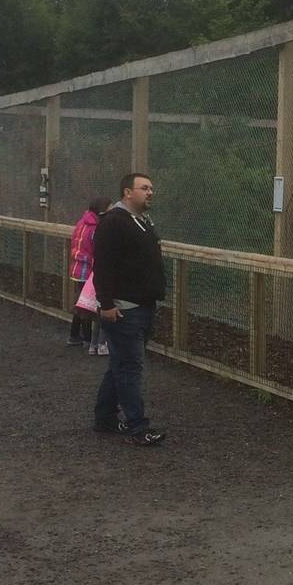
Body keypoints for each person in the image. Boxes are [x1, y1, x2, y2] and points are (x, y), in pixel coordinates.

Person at [92, 172, 168, 446]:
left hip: (143, 305)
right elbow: (103, 265)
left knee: (120, 365)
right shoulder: (113, 223)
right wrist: (107, 304)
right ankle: (138, 427)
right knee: (130, 368)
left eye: (151, 188)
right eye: (144, 188)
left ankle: (105, 417)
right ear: (127, 192)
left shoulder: (141, 222)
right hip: (125, 309)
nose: (150, 192)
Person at [68, 197, 111, 354]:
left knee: (82, 302)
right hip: (88, 269)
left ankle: (75, 335)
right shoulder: (95, 228)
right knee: (88, 305)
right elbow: (96, 248)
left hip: (77, 266)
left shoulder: (82, 222)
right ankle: (86, 338)